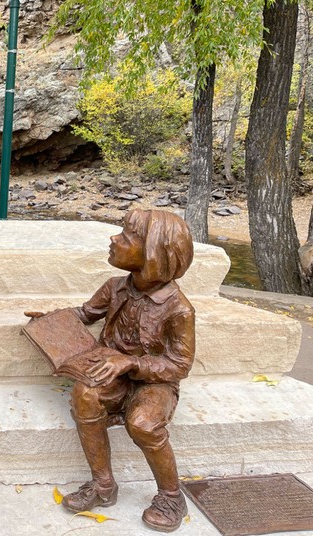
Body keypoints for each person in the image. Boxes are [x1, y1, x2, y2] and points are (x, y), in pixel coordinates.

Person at [26, 209, 195, 532]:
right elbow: (86, 313)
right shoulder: (115, 287)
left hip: (154, 382)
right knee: (85, 395)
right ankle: (102, 484)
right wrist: (52, 320)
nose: (114, 239)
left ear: (153, 254)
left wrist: (132, 362)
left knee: (143, 423)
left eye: (127, 236)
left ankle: (172, 495)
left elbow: (180, 364)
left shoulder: (179, 309)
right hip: (111, 373)